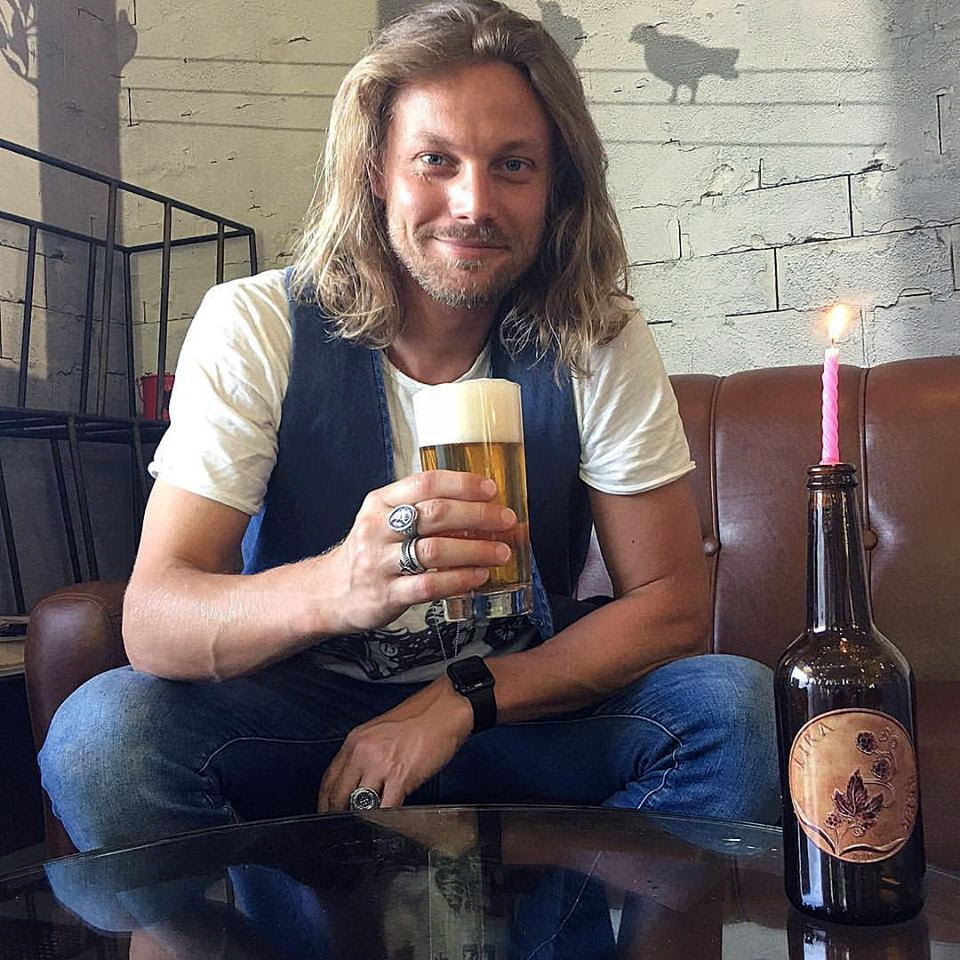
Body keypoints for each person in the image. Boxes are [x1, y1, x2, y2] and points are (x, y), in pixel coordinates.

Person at [39, 0, 779, 855]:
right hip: (302, 717)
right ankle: (286, 905)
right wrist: (339, 585)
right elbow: (155, 620)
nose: (473, 203)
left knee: (737, 714)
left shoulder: (592, 335)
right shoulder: (257, 326)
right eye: (436, 160)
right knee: (104, 740)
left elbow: (671, 607)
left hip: (518, 710)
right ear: (375, 171)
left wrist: (462, 697)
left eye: (513, 165)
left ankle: (542, 893)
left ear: (556, 187)